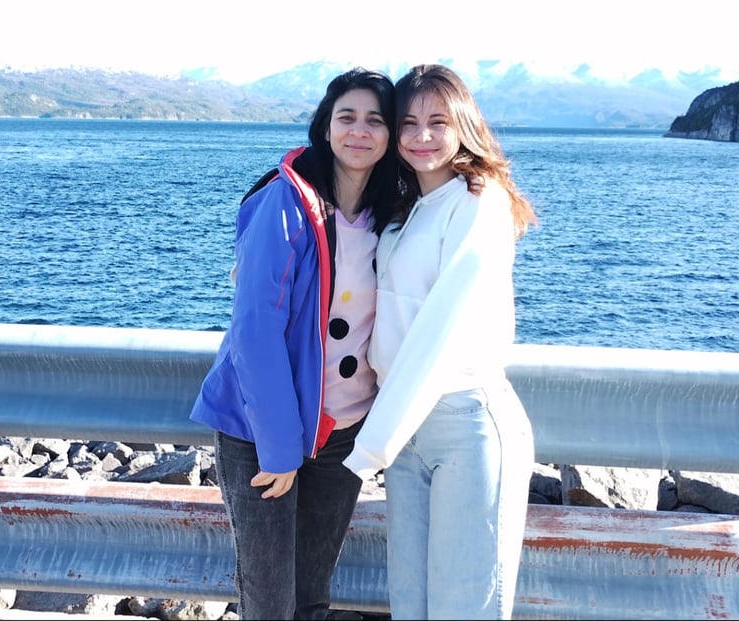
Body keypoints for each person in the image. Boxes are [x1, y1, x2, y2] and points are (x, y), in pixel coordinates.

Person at [189, 67, 404, 620]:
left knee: (310, 600)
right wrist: (280, 449)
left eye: (375, 120)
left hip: (341, 433)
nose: (359, 131)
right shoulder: (286, 203)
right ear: (325, 127)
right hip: (262, 433)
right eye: (346, 117)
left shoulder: (391, 212)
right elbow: (255, 331)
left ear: (391, 134)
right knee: (270, 605)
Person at [343, 63, 538, 620]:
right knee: (411, 605)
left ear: (463, 125)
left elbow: (442, 328)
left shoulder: (480, 202)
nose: (421, 136)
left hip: (464, 425)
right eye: (408, 123)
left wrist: (370, 446)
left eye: (437, 122)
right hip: (407, 429)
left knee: (464, 609)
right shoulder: (407, 210)